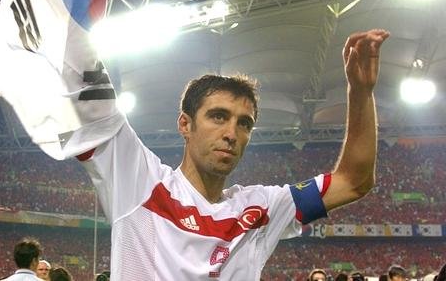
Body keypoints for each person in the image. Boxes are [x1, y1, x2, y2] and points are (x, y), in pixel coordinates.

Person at [72, 29, 390, 279]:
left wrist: (360, 92)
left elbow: (353, 181)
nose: (231, 133)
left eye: (244, 123)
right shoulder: (141, 182)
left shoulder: (259, 208)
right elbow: (79, 81)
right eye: (218, 116)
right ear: (185, 124)